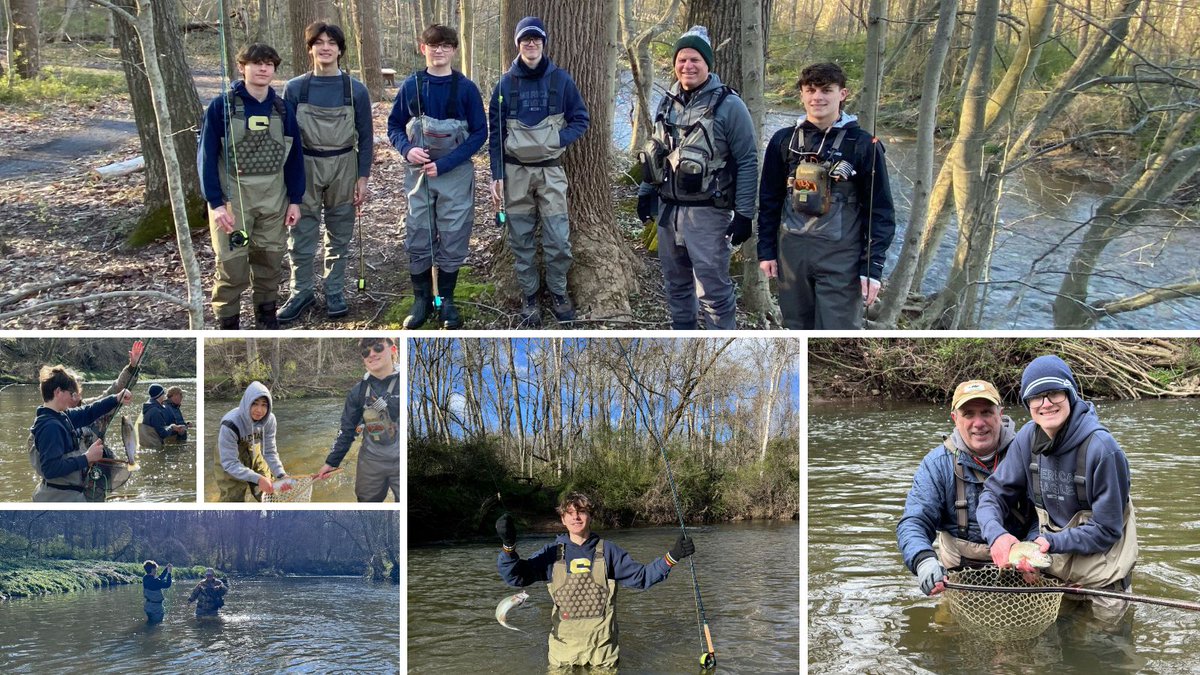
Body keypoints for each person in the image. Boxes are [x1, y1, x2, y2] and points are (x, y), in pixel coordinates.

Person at [977, 356, 1138, 622]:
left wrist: (1052, 542)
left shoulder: (1104, 450)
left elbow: (1108, 529)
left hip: (1104, 581)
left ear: (1070, 394)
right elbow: (992, 494)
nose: (1046, 403)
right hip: (1055, 575)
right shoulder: (1027, 439)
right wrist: (996, 536)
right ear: (1027, 404)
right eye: (1036, 397)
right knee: (1052, 655)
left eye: (1053, 393)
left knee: (1105, 654)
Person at [755, 62, 896, 329]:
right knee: (795, 329)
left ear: (842, 94)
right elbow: (769, 200)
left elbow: (881, 211)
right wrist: (766, 251)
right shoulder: (783, 141)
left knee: (838, 332)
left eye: (826, 90)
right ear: (802, 94)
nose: (817, 97)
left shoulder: (864, 145)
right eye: (810, 90)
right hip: (791, 255)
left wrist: (872, 269)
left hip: (841, 259)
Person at [636, 26, 758, 330]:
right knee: (676, 285)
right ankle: (684, 337)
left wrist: (744, 214)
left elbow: (747, 160)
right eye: (682, 60)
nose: (687, 66)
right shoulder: (667, 102)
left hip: (708, 212)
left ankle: (717, 340)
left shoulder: (730, 106)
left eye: (695, 60)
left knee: (713, 292)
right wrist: (645, 191)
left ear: (707, 65)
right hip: (668, 211)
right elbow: (656, 150)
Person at [495, 492, 695, 670]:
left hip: (603, 655)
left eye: (581, 511)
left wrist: (673, 556)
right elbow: (514, 576)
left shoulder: (609, 551)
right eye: (570, 513)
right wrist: (508, 546)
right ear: (563, 520)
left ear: (590, 516)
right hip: (562, 654)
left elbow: (642, 578)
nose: (576, 516)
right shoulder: (551, 553)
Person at [488, 16, 590, 327]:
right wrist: (497, 175)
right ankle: (530, 296)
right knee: (520, 239)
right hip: (514, 172)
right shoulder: (505, 84)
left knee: (558, 239)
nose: (531, 44)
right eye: (525, 40)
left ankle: (559, 292)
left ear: (543, 43)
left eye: (536, 39)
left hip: (551, 172)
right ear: (517, 44)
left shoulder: (561, 81)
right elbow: (495, 132)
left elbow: (581, 120)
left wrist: (557, 139)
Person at [198, 43, 304, 330]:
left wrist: (296, 199)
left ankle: (267, 321)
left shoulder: (283, 109)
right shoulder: (222, 107)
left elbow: (295, 158)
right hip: (233, 203)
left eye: (269, 64)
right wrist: (215, 204)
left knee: (270, 262)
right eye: (256, 63)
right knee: (232, 265)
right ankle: (228, 325)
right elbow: (206, 158)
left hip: (274, 201)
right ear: (241, 67)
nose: (263, 68)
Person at [388, 24, 487, 330]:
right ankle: (422, 302)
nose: (439, 50)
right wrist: (407, 150)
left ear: (454, 50)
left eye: (446, 45)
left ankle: (446, 301)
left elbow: (480, 133)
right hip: (418, 174)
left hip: (455, 173)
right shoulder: (412, 86)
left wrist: (446, 164)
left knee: (454, 236)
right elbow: (393, 126)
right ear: (424, 49)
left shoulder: (467, 88)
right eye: (434, 45)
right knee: (418, 233)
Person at [896, 379, 1033, 596]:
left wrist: (1033, 550)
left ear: (1000, 414)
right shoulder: (936, 465)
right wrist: (923, 560)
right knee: (947, 628)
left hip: (1022, 569)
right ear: (955, 419)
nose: (978, 423)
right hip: (959, 574)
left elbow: (1045, 516)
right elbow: (914, 521)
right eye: (968, 414)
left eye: (986, 412)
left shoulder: (1028, 454)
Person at [277, 22, 374, 324]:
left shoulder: (355, 90)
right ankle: (301, 291)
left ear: (340, 50)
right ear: (310, 48)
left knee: (340, 232)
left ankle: (335, 290)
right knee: (301, 233)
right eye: (319, 42)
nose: (325, 47)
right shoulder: (295, 88)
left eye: (332, 42)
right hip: (305, 164)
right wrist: (289, 180)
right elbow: (286, 137)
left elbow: (366, 135)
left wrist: (363, 177)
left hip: (345, 164)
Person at [28, 365, 132, 502]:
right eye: (70, 394)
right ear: (58, 392)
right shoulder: (50, 426)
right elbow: (50, 469)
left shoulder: (61, 415)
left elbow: (88, 412)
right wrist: (87, 458)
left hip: (68, 493)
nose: (73, 398)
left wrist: (115, 398)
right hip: (59, 498)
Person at [315, 338, 400, 501]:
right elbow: (346, 430)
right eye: (366, 352)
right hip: (371, 460)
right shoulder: (357, 391)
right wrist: (331, 462)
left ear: (393, 350)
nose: (372, 354)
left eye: (377, 348)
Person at [214, 381, 291, 502]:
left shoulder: (270, 420)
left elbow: (270, 452)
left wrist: (281, 475)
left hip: (254, 449)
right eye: (254, 404)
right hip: (229, 455)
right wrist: (258, 479)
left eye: (264, 405)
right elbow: (229, 463)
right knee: (233, 499)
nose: (259, 410)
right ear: (247, 403)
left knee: (270, 493)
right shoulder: (230, 424)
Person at [138, 383, 187, 451]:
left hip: (149, 446)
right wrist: (172, 427)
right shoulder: (156, 411)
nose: (165, 396)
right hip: (155, 448)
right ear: (160, 395)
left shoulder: (150, 407)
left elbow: (158, 428)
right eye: (163, 394)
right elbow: (163, 433)